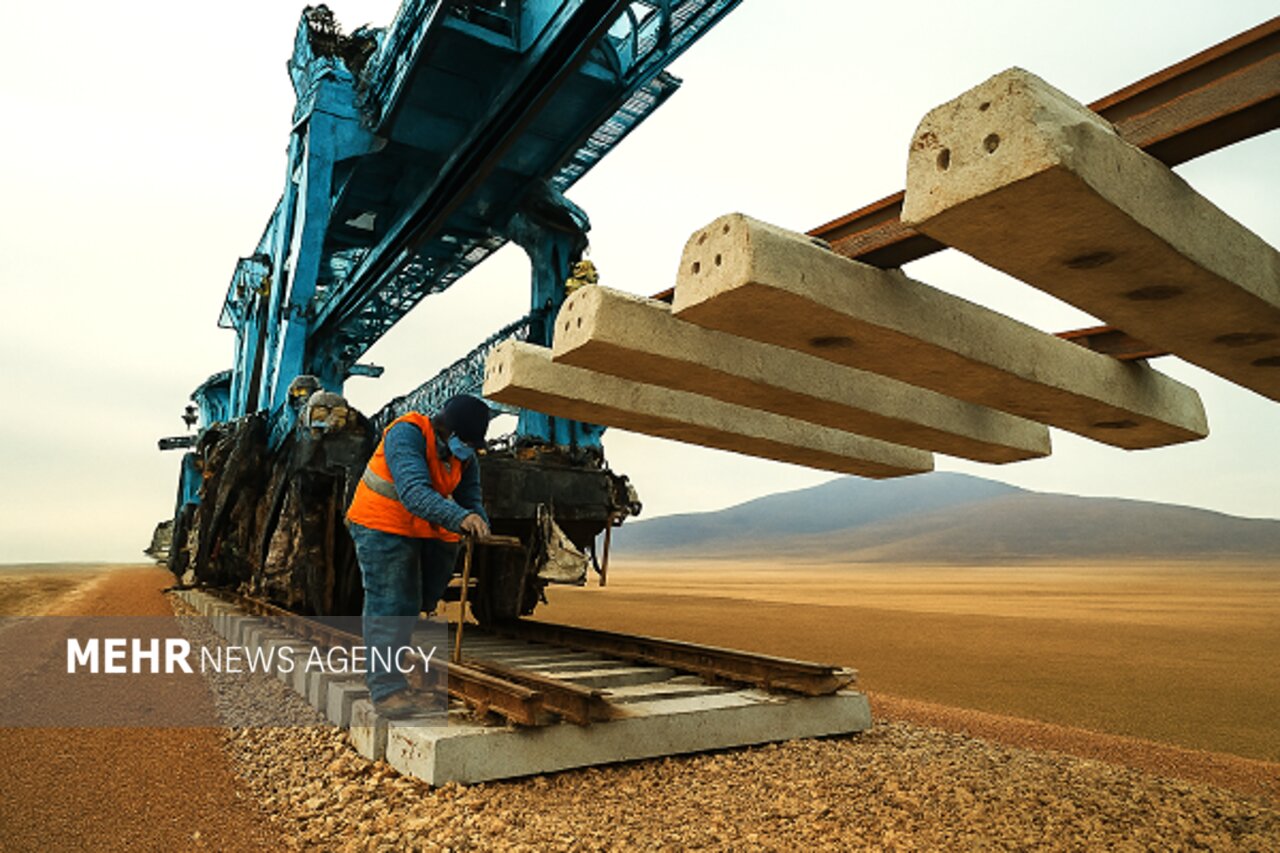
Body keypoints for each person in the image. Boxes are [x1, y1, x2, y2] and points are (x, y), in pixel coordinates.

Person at [345, 394, 492, 718]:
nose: (469, 449)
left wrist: (480, 522)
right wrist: (459, 518)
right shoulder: (407, 432)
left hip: (418, 526)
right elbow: (413, 491)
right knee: (391, 602)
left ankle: (395, 676)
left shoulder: (464, 456)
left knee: (414, 603)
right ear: (448, 431)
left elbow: (471, 496)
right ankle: (385, 691)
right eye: (467, 441)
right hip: (379, 523)